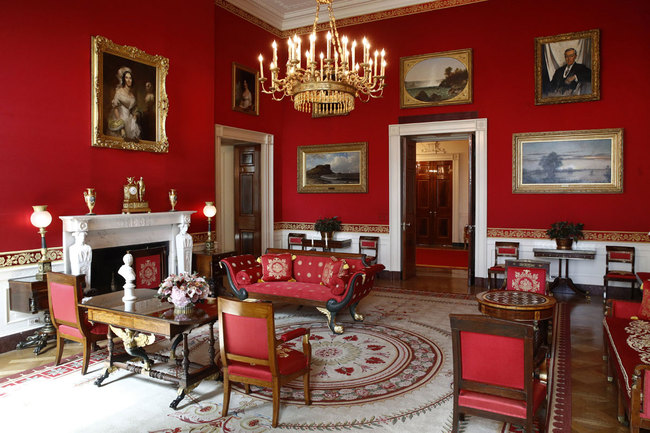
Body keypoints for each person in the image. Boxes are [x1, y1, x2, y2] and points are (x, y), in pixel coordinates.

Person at [107, 66, 142, 141]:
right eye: (126, 78)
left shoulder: (132, 95)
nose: (129, 80)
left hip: (130, 120)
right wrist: (121, 125)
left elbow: (134, 109)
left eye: (130, 78)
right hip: (120, 118)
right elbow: (115, 108)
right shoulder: (119, 92)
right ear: (123, 79)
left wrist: (135, 115)